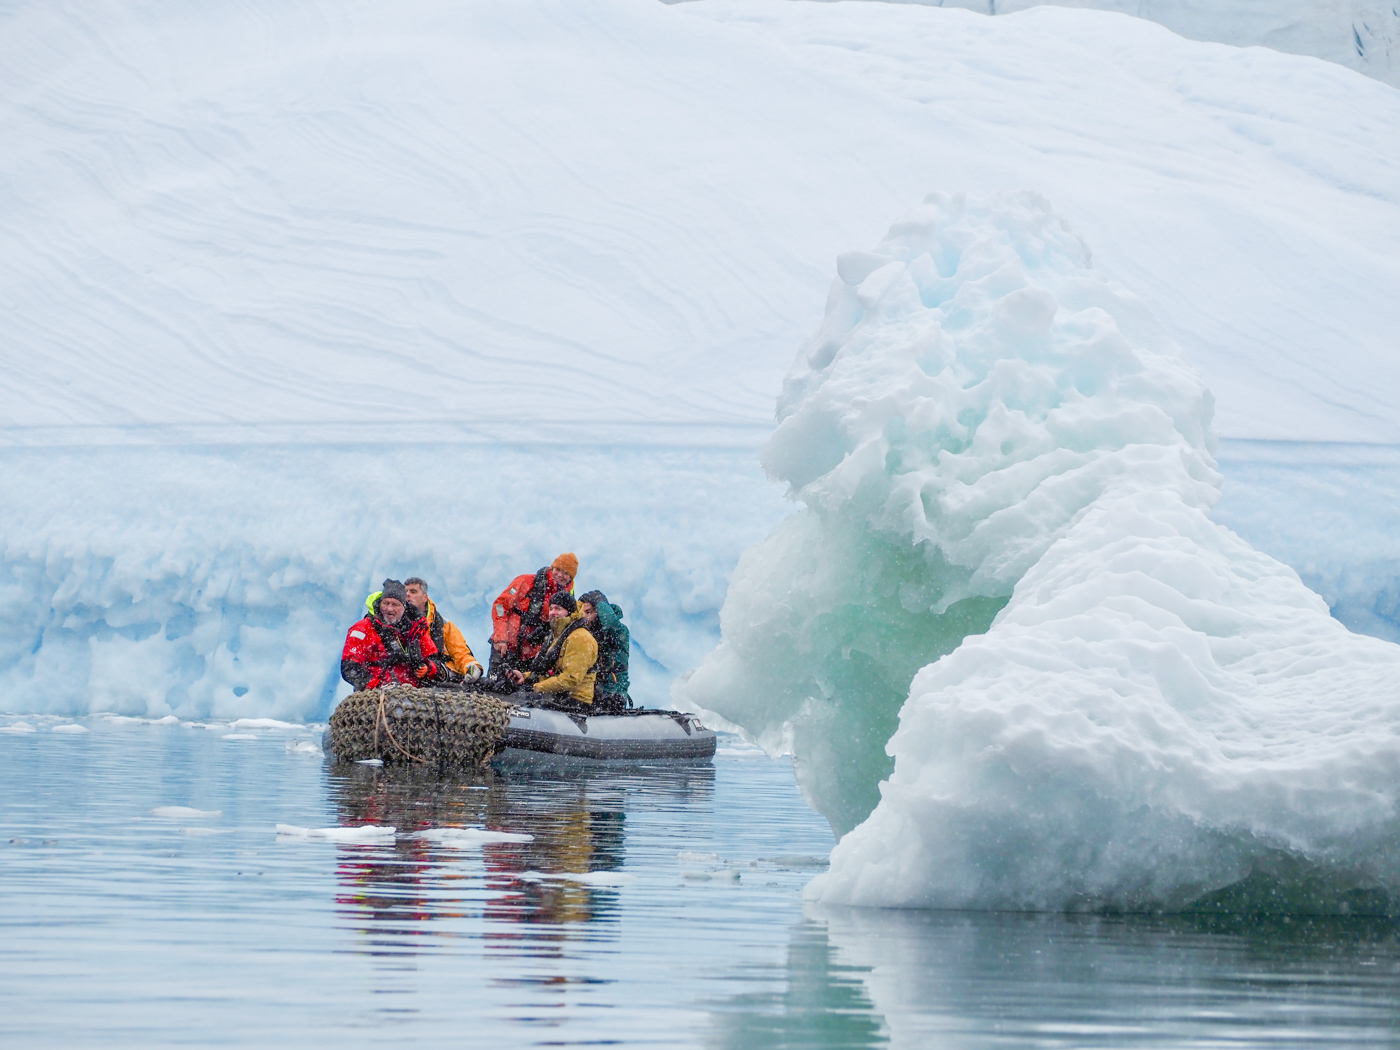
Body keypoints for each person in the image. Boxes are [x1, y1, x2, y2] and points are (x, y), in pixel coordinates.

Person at [341, 579, 446, 691]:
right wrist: (379, 685)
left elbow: (434, 659)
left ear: (404, 607)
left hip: (414, 696)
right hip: (376, 696)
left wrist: (428, 668)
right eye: (386, 603)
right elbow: (349, 668)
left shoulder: (415, 629)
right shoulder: (362, 629)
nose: (389, 609)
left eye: (395, 604)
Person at [506, 591, 597, 708]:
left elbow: (570, 680)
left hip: (575, 701)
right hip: (558, 696)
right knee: (513, 695)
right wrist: (525, 677)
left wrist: (536, 687)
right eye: (551, 609)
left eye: (558, 609)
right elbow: (550, 670)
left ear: (569, 612)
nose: (553, 613)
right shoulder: (558, 635)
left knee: (520, 700)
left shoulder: (580, 638)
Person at [490, 553, 578, 667]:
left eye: (566, 573)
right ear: (552, 568)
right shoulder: (525, 581)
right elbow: (500, 606)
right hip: (506, 648)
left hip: (533, 658)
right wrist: (501, 637)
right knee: (494, 684)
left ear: (571, 578)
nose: (560, 575)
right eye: (558, 569)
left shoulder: (567, 597)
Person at [403, 577, 483, 683]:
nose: (407, 594)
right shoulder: (396, 622)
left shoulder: (442, 625)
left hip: (437, 675)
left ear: (424, 597)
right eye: (405, 592)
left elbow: (460, 653)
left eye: (413, 591)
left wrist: (472, 668)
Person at [579, 590, 630, 711]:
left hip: (612, 693)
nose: (584, 617)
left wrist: (599, 602)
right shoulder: (583, 635)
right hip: (589, 694)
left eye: (589, 612)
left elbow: (610, 623)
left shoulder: (618, 631)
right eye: (582, 612)